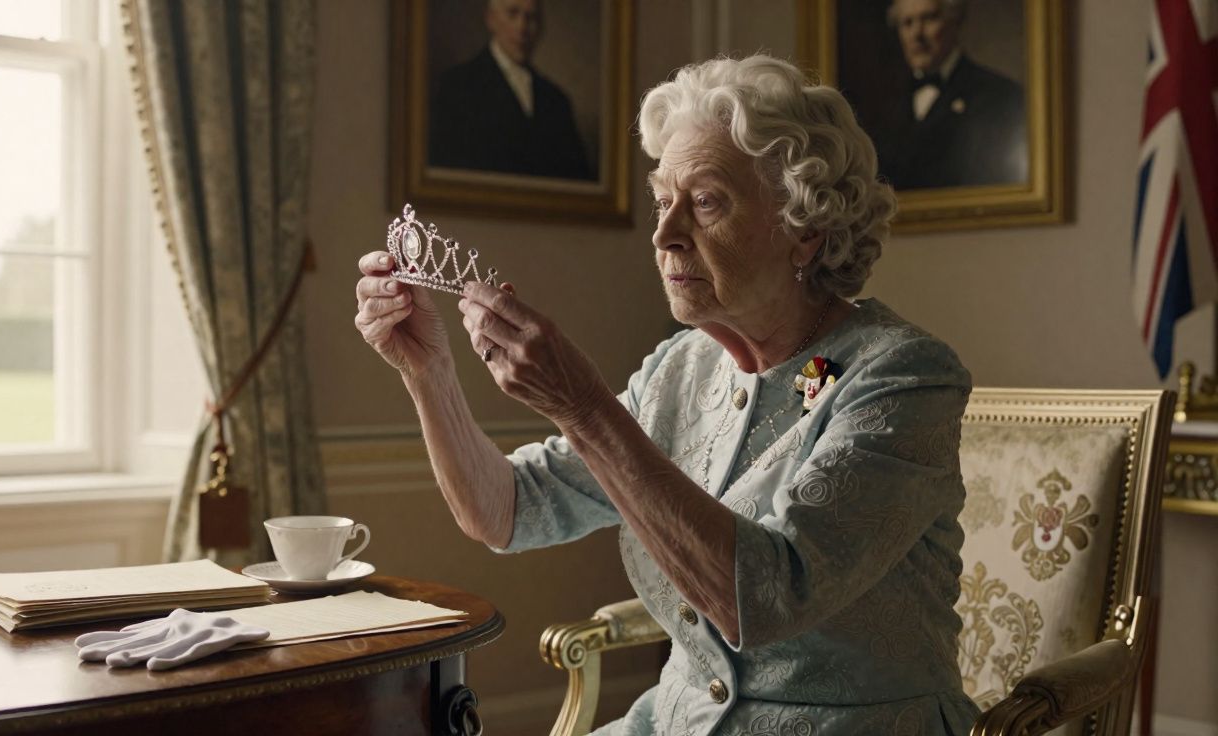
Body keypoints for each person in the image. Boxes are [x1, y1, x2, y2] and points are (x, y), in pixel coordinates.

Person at [357, 55, 980, 734]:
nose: (663, 234)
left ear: (805, 231)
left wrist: (585, 408)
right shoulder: (684, 368)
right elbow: (507, 510)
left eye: (706, 201)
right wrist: (428, 373)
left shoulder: (902, 377)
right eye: (663, 200)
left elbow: (764, 600)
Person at [427, 0, 591, 180]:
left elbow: (577, 179)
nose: (522, 27)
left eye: (531, 18)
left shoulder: (556, 100)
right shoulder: (457, 86)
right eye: (513, 14)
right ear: (491, 19)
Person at [875, 0, 1027, 190]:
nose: (916, 34)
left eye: (929, 18)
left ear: (955, 22)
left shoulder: (999, 95)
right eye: (907, 23)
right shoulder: (886, 106)